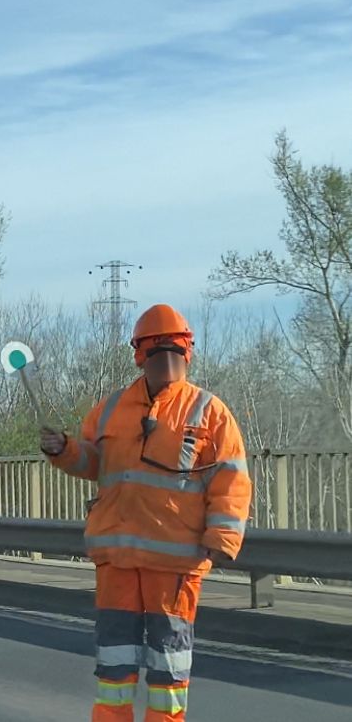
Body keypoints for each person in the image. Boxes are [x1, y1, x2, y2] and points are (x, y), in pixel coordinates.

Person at [39, 304, 251, 722]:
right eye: (158, 351)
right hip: (117, 559)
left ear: (187, 354)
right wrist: (64, 451)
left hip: (174, 565)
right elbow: (93, 462)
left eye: (174, 351)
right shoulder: (112, 407)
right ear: (140, 355)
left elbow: (232, 478)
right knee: (114, 664)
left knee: (168, 668)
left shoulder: (209, 412)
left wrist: (222, 538)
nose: (166, 360)